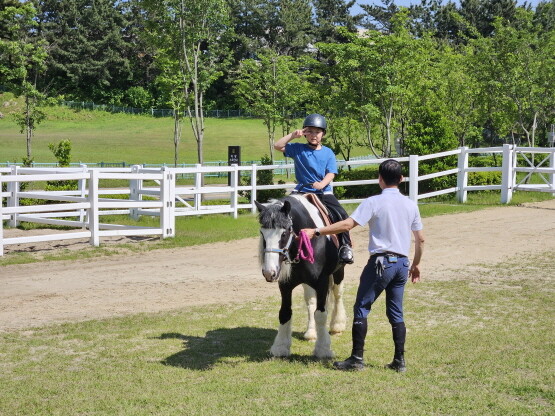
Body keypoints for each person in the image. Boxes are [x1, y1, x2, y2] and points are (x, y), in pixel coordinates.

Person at [301, 159, 425, 372]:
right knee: (396, 313)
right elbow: (420, 239)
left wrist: (317, 231)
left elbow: (348, 224)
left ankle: (357, 359)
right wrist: (415, 265)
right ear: (402, 179)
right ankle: (399, 361)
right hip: (402, 264)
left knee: (361, 308)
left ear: (380, 179)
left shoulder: (374, 202)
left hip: (380, 263)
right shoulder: (410, 204)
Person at [274, 113, 354, 264]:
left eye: (317, 132)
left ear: (323, 133)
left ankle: (345, 246)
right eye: (309, 131)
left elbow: (331, 173)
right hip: (302, 189)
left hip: (323, 191)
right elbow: (278, 146)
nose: (313, 135)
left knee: (340, 213)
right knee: (283, 211)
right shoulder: (298, 149)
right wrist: (292, 135)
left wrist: (322, 184)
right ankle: (283, 246)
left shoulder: (328, 152)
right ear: (304, 133)